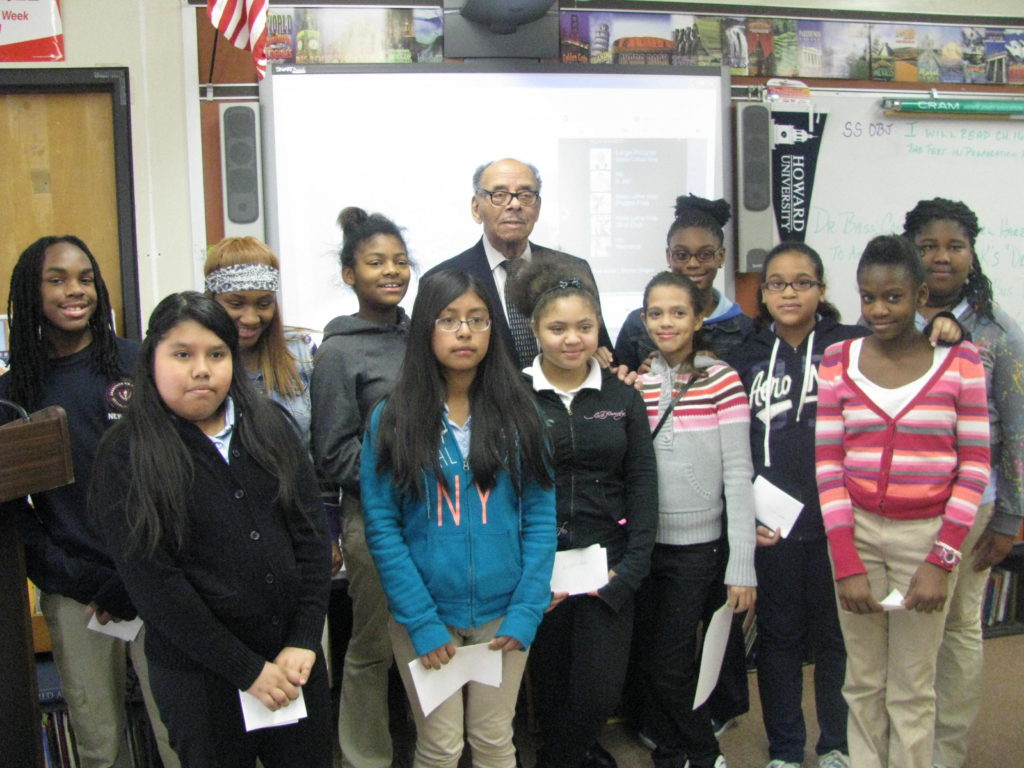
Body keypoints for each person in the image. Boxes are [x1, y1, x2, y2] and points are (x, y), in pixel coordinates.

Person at [89, 292, 333, 767]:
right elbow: (155, 585)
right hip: (201, 675)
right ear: (151, 360)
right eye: (182, 354)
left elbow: (310, 538)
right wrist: (247, 671)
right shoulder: (126, 454)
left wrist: (304, 638)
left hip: (292, 662)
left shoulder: (269, 425)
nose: (202, 369)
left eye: (216, 354)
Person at [360, 269, 556, 768]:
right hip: (425, 616)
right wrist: (422, 622)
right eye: (448, 320)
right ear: (426, 328)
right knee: (440, 746)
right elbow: (382, 525)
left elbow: (539, 517)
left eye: (477, 320)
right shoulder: (393, 416)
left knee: (494, 740)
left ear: (493, 329)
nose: (464, 332)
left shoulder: (522, 414)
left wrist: (527, 609)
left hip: (503, 614)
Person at [0, 235, 178, 768]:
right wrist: (77, 578)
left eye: (84, 278)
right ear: (31, 294)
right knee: (99, 743)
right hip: (76, 591)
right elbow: (13, 513)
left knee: (179, 735)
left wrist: (137, 573)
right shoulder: (15, 392)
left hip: (158, 579)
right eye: (56, 280)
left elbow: (175, 473)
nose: (75, 291)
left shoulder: (140, 363)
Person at [815, 235, 991, 768]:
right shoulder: (837, 359)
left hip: (928, 538)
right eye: (867, 298)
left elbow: (976, 466)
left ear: (919, 295)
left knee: (913, 686)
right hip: (857, 534)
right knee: (863, 680)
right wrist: (844, 559)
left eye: (892, 297)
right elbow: (827, 464)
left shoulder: (960, 362)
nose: (878, 310)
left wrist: (943, 559)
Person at [508, 261, 658, 768]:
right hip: (539, 569)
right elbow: (504, 489)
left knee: (597, 693)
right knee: (549, 692)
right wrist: (524, 576)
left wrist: (629, 571)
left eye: (584, 327)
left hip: (607, 568)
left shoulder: (621, 396)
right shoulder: (514, 397)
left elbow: (642, 485)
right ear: (535, 331)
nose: (572, 340)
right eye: (557, 328)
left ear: (598, 329)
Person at [901, 199, 1024, 768]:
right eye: (927, 247)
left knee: (957, 629)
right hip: (899, 501)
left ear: (973, 254)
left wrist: (1010, 517)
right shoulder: (892, 320)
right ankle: (906, 743)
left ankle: (945, 753)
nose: (941, 257)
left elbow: (1018, 432)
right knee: (904, 629)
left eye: (954, 246)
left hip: (973, 503)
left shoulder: (1000, 333)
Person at [635, 271, 757, 768]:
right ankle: (670, 749)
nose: (667, 322)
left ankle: (705, 754)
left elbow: (738, 472)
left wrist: (742, 564)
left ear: (699, 317)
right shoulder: (635, 380)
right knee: (655, 657)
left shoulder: (722, 379)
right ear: (644, 320)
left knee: (672, 661)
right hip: (645, 546)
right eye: (657, 313)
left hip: (699, 548)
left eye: (678, 312)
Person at [310, 207, 411, 768]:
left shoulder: (424, 335)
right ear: (350, 274)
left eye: (399, 261)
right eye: (376, 262)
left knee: (431, 638)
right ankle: (364, 758)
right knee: (372, 648)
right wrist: (407, 471)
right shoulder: (339, 351)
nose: (391, 272)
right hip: (374, 519)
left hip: (440, 515)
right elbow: (331, 453)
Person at [423, 157, 612, 369]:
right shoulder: (441, 278)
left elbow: (601, 352)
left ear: (538, 208)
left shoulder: (572, 269)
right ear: (476, 208)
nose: (514, 204)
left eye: (525, 195)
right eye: (500, 195)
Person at [614, 194, 753, 372]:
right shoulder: (637, 325)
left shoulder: (742, 328)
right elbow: (619, 385)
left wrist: (720, 370)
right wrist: (639, 379)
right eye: (681, 255)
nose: (693, 264)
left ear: (721, 256)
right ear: (669, 256)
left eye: (705, 254)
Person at [203, 236, 315, 445]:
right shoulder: (197, 363)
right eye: (236, 304)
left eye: (264, 304)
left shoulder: (301, 352)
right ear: (211, 300)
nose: (251, 318)